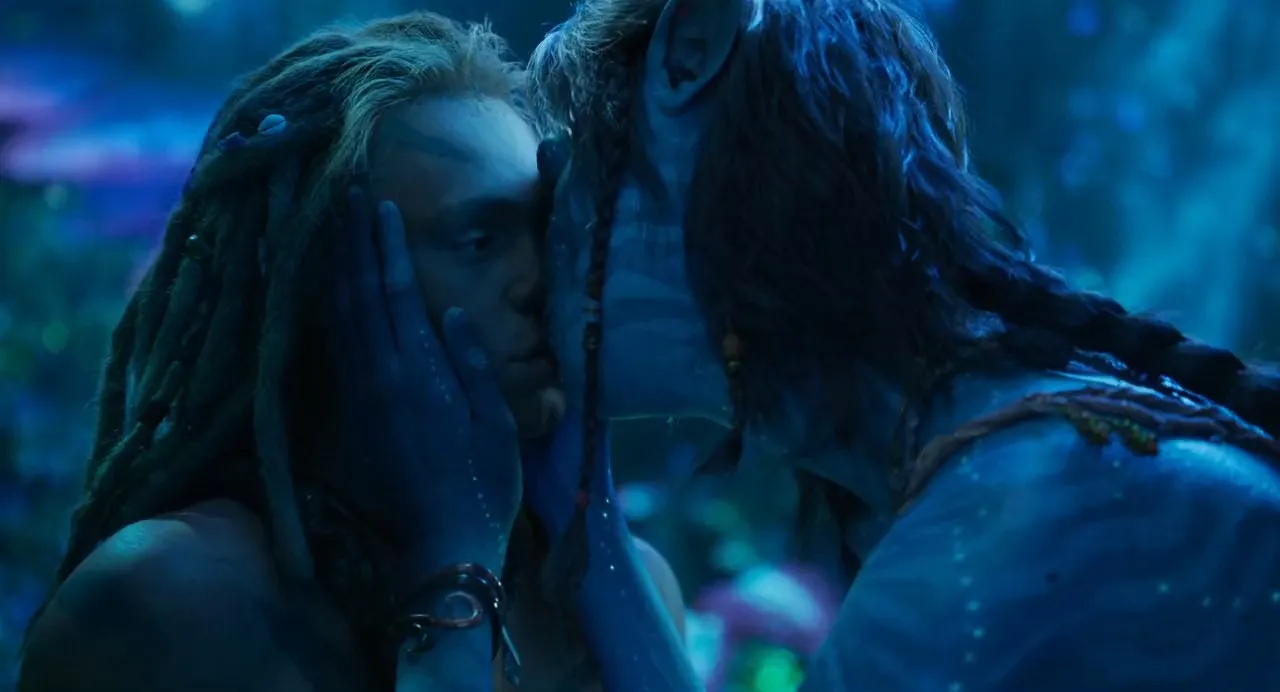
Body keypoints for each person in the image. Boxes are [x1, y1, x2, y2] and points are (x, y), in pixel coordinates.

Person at [511, 0, 1280, 690]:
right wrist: (583, 509)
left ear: (692, 49)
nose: (537, 240)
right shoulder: (1039, 452)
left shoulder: (974, 554)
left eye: (574, 161)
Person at [19, 12, 682, 692]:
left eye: (545, 229)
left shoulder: (622, 589)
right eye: (479, 241)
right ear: (323, 286)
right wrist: (454, 567)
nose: (540, 279)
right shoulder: (173, 601)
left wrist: (585, 521)